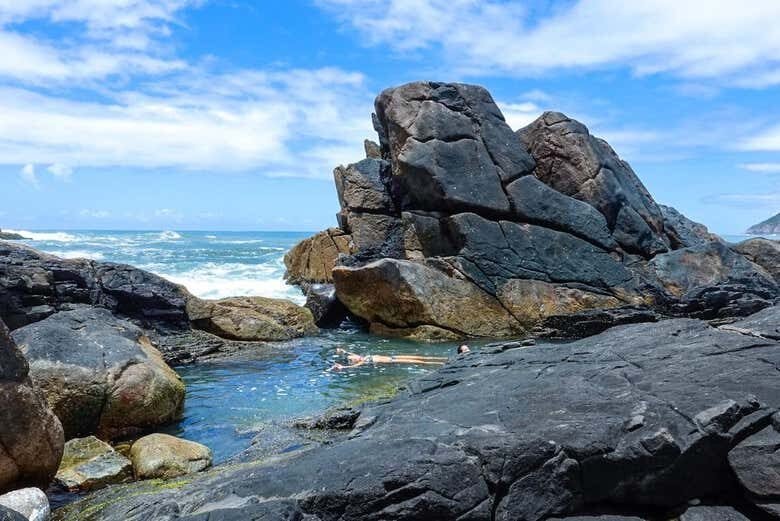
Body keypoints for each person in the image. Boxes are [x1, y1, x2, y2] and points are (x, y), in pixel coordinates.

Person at [329, 347, 448, 371]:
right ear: (355, 360)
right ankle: (442, 363)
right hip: (393, 361)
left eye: (354, 355)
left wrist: (343, 351)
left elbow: (350, 353)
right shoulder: (363, 361)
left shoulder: (362, 357)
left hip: (393, 357)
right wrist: (343, 367)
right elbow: (353, 367)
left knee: (419, 357)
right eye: (354, 357)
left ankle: (443, 358)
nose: (355, 356)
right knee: (420, 362)